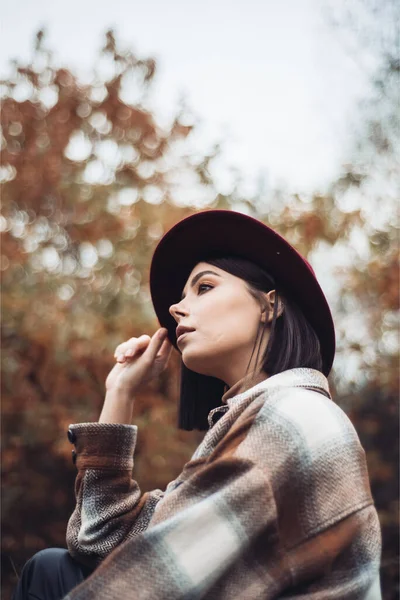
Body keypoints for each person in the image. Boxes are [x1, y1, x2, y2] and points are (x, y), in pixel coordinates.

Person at [12, 210, 382, 600]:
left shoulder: (294, 416)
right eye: (182, 295)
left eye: (203, 287)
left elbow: (152, 581)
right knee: (53, 568)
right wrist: (121, 392)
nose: (176, 308)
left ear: (269, 306)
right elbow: (101, 542)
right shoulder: (252, 424)